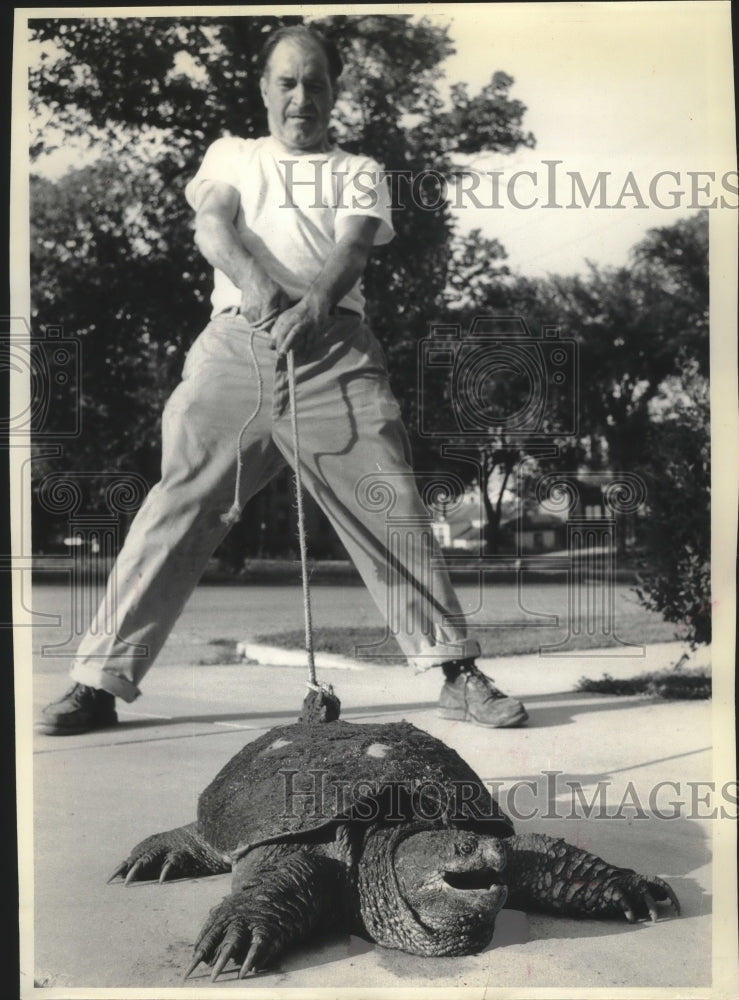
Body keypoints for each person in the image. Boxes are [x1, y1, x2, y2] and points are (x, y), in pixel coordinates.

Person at [37, 25, 528, 736]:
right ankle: (98, 681)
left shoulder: (359, 169)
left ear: (334, 90)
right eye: (287, 82)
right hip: (236, 346)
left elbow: (353, 249)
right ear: (264, 87)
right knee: (177, 508)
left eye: (316, 83)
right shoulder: (231, 155)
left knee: (389, 503)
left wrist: (315, 306)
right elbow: (213, 227)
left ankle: (454, 670)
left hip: (336, 354)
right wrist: (263, 292)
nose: (302, 97)